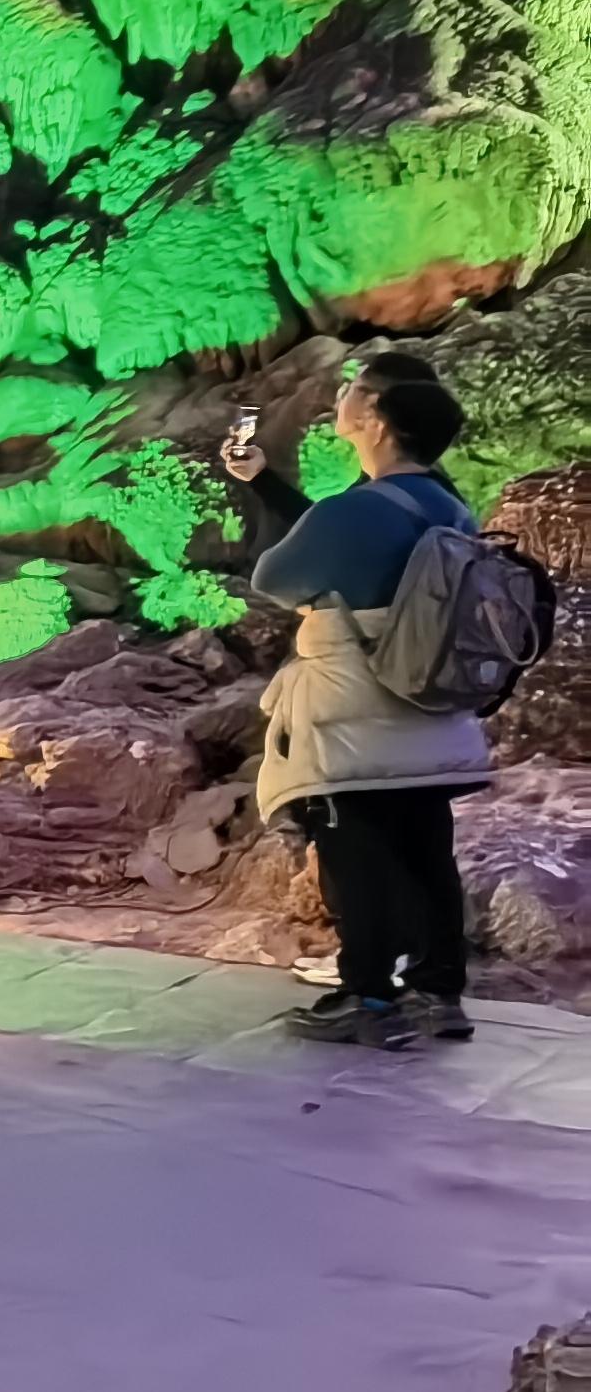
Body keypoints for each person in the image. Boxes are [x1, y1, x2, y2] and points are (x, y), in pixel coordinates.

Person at [219, 351, 492, 1046]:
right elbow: (359, 543)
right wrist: (268, 484)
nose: (342, 396)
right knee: (428, 850)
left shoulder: (354, 509)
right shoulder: (450, 506)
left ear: (375, 417)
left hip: (354, 710)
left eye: (353, 390)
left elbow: (276, 579)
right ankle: (439, 994)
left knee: (356, 851)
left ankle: (367, 998)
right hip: (432, 707)